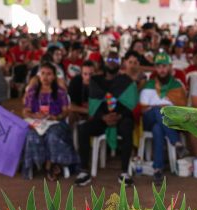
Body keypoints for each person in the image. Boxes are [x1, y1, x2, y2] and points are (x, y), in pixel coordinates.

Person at [78, 51, 140, 186]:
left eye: (115, 59)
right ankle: (83, 170)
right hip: (101, 119)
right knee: (83, 128)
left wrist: (119, 115)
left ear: (120, 63)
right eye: (109, 59)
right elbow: (94, 103)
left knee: (127, 126)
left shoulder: (127, 81)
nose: (112, 62)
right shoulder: (96, 81)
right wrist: (103, 116)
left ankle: (124, 172)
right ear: (104, 62)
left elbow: (131, 104)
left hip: (120, 118)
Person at [22, 63, 80, 181]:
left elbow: (65, 111)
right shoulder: (33, 91)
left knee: (52, 135)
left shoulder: (60, 92)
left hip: (56, 123)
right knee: (32, 135)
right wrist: (34, 115)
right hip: (38, 124)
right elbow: (25, 111)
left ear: (54, 76)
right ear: (39, 75)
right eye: (42, 73)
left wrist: (57, 117)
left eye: (49, 74)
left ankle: (52, 164)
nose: (45, 77)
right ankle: (40, 164)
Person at [140, 52, 187, 185]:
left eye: (164, 66)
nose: (162, 69)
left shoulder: (177, 86)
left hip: (170, 121)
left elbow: (183, 110)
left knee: (158, 129)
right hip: (149, 119)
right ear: (155, 68)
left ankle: (158, 169)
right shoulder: (149, 85)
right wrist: (160, 108)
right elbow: (143, 109)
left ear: (170, 67)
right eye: (159, 66)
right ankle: (176, 142)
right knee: (157, 109)